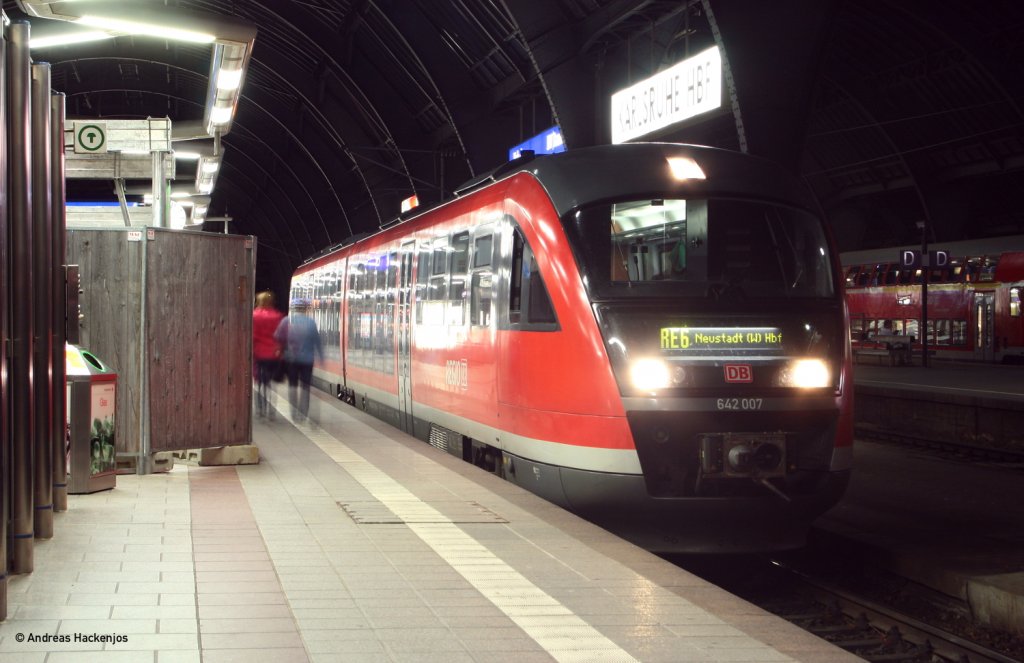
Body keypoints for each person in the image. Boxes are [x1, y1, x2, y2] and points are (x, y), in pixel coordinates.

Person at [274, 298, 324, 424]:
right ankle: (303, 413)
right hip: (307, 360)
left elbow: (277, 336)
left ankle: (294, 412)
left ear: (294, 309)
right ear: (305, 309)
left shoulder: (286, 321)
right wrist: (321, 357)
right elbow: (317, 341)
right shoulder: (311, 322)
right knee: (305, 386)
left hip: (291, 359)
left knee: (292, 385)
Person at [252, 291, 285, 419]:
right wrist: (280, 349)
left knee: (259, 383)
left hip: (259, 353)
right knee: (269, 383)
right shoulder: (278, 316)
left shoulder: (254, 316)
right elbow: (281, 336)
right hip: (273, 354)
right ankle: (271, 410)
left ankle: (260, 409)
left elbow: (253, 335)